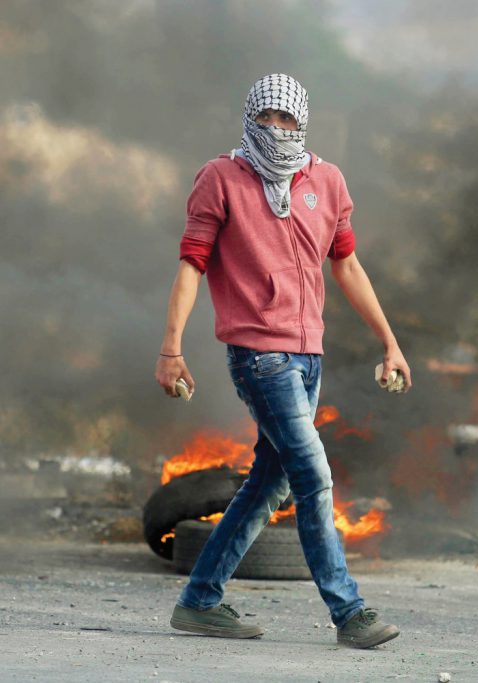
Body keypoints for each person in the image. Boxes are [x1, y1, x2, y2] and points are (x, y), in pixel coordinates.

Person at [155, 73, 412, 649]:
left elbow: (347, 265)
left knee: (268, 485)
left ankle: (199, 601)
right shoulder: (221, 177)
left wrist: (389, 342)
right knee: (312, 475)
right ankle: (349, 612)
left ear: (302, 122)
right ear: (249, 118)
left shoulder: (327, 180)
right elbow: (192, 265)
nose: (275, 128)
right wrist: (171, 349)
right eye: (265, 117)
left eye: (287, 118)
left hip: (308, 356)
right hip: (259, 356)